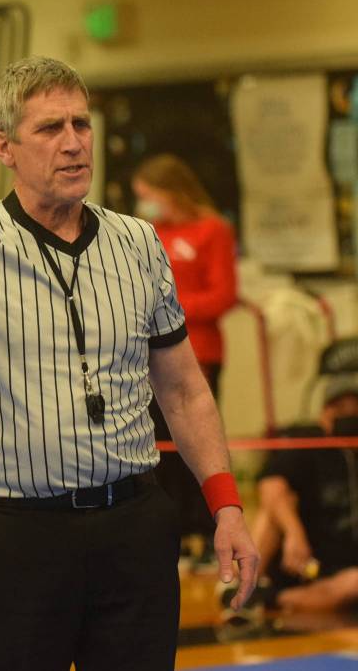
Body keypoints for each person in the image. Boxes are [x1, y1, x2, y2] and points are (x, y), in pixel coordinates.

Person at [0, 55, 258, 670]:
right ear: (4, 146)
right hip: (15, 538)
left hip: (132, 530)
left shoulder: (139, 242)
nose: (73, 144)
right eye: (49, 129)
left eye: (81, 125)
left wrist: (227, 506)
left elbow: (184, 388)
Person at [132, 153, 238, 565]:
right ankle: (171, 530)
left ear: (171, 192)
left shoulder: (213, 230)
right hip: (149, 355)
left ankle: (208, 531)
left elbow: (222, 295)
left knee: (198, 443)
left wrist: (168, 307)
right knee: (158, 448)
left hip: (200, 353)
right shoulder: (146, 233)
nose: (145, 204)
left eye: (149, 196)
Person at [239, 376, 358, 617]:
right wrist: (294, 533)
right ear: (324, 414)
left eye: (357, 406)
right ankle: (242, 587)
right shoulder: (307, 446)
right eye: (340, 407)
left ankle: (271, 600)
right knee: (276, 505)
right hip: (292, 559)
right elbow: (270, 486)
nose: (350, 412)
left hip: (338, 571)